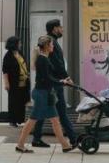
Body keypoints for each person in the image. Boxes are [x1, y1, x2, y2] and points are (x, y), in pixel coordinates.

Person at [15, 35, 75, 153]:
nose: (53, 46)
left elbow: (49, 78)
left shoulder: (44, 58)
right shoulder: (42, 60)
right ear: (47, 46)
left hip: (46, 93)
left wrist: (61, 81)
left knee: (55, 120)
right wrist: (61, 82)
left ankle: (65, 145)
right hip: (41, 93)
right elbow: (46, 79)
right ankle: (20, 145)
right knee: (32, 120)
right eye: (52, 44)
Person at [31, 19, 77, 148]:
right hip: (55, 83)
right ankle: (73, 139)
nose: (62, 29)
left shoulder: (51, 42)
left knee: (42, 110)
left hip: (51, 83)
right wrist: (66, 77)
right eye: (60, 27)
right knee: (61, 112)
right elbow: (58, 63)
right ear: (55, 29)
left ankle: (36, 138)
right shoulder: (52, 43)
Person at [2, 36, 30, 127]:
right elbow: (5, 70)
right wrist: (6, 83)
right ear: (14, 44)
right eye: (19, 43)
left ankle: (20, 119)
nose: (21, 44)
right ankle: (12, 120)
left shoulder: (20, 53)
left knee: (23, 100)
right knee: (14, 101)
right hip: (14, 82)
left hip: (24, 82)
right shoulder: (8, 56)